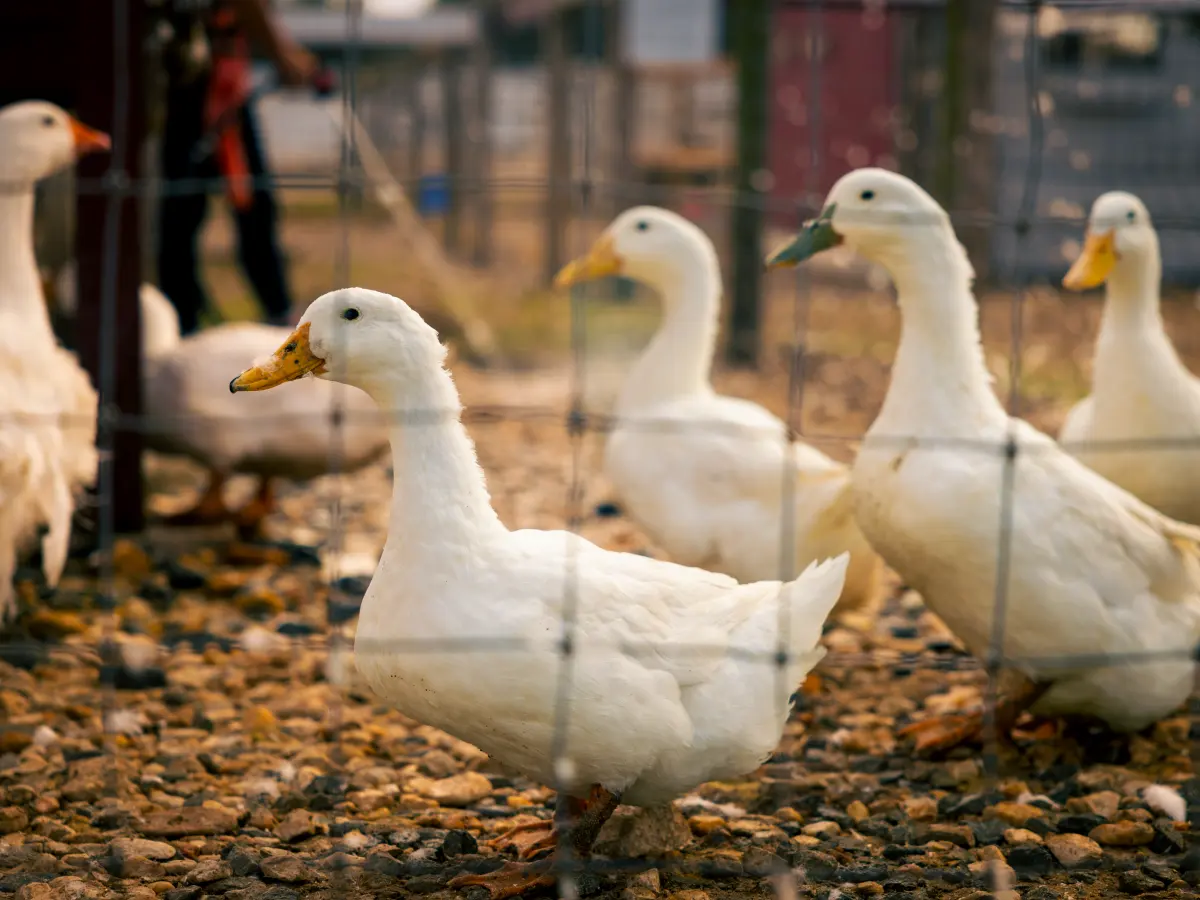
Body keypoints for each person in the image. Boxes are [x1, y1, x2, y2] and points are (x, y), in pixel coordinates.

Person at [158, 0, 319, 335]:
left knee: (232, 208)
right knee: (185, 214)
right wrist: (283, 55)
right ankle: (185, 322)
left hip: (220, 85)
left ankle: (270, 312)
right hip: (197, 82)